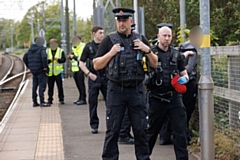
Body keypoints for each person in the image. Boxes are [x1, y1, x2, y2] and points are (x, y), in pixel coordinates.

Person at [93, 8, 158, 160]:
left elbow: (154, 64)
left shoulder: (140, 38)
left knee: (141, 130)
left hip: (136, 90)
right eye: (119, 20)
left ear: (131, 21)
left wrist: (147, 50)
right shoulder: (109, 40)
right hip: (116, 90)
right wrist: (111, 53)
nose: (121, 23)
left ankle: (143, 158)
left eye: (124, 20)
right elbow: (96, 65)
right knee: (113, 130)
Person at [146, 25, 190, 160]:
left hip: (174, 98)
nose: (166, 38)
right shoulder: (150, 53)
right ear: (158, 36)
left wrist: (182, 80)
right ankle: (143, 157)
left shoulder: (176, 54)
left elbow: (185, 74)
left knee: (180, 132)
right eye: (164, 35)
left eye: (169, 36)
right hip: (156, 98)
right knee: (151, 132)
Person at [79, 26, 107, 134]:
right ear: (94, 33)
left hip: (105, 77)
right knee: (93, 103)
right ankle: (94, 125)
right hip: (94, 78)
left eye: (103, 33)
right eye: (100, 33)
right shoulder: (88, 47)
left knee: (110, 102)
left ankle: (111, 124)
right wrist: (89, 74)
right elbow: (81, 63)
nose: (102, 35)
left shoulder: (105, 46)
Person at [179, 26, 203, 144]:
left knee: (182, 107)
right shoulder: (192, 48)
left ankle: (180, 132)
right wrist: (186, 75)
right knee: (188, 107)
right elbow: (189, 67)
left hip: (182, 81)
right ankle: (184, 133)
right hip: (189, 81)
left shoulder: (183, 46)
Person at [118, 23, 136, 145]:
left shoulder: (139, 41)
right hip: (119, 84)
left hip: (134, 83)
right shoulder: (114, 41)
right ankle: (123, 134)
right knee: (125, 112)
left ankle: (124, 133)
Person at [23, 37, 50, 107]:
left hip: (33, 70)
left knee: (34, 86)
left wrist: (29, 66)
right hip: (41, 70)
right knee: (42, 86)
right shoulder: (42, 49)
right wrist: (45, 67)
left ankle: (34, 101)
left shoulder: (30, 50)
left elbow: (24, 58)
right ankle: (42, 101)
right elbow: (44, 57)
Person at [68, 35, 87, 105]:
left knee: (81, 84)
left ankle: (83, 98)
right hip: (75, 68)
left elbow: (81, 58)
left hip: (81, 68)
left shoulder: (83, 47)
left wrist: (73, 57)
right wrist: (71, 57)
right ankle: (80, 97)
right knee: (78, 84)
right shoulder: (74, 48)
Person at [46, 38, 66, 105]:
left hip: (58, 72)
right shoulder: (47, 51)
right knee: (50, 87)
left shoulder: (61, 51)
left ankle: (61, 99)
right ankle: (50, 99)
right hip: (50, 73)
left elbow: (64, 60)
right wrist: (49, 60)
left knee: (60, 87)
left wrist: (58, 60)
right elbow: (44, 61)